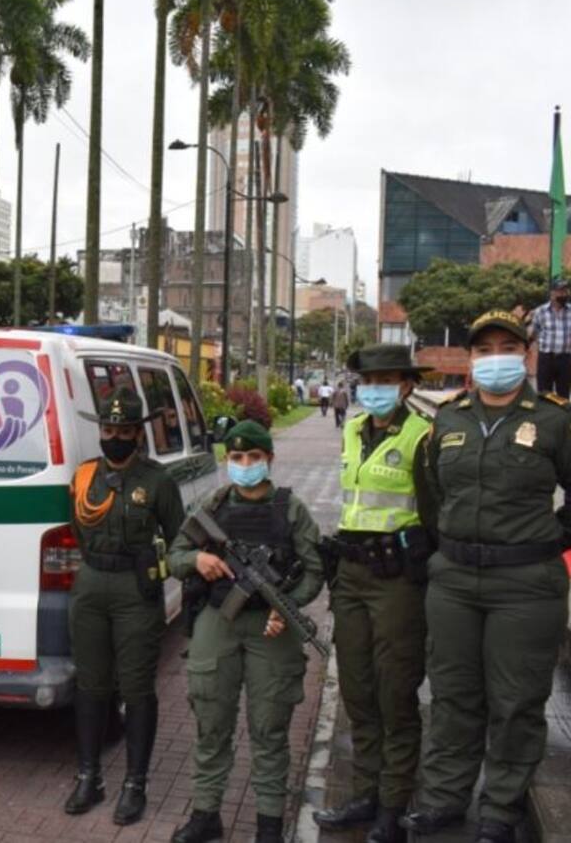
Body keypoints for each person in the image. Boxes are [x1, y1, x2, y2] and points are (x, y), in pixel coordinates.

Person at [403, 310, 570, 843]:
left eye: (507, 346)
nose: (495, 355)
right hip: (453, 580)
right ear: (471, 359)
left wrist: (553, 538)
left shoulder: (554, 421)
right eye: (484, 348)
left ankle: (501, 807)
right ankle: (445, 798)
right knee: (452, 695)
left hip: (526, 583)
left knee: (517, 701)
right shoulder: (447, 420)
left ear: (525, 353)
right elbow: (430, 496)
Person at [169, 420, 324, 843]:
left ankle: (269, 823)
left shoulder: (292, 510)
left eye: (253, 457)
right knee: (211, 719)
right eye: (236, 458)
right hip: (219, 619)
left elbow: (314, 572)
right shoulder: (212, 507)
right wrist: (197, 562)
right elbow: (176, 553)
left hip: (272, 629)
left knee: (270, 727)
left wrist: (288, 608)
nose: (245, 465)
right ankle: (206, 814)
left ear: (269, 460)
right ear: (227, 460)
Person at [313, 345, 437, 843]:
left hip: (396, 580)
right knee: (358, 689)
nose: (375, 388)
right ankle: (364, 792)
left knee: (395, 690)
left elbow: (434, 515)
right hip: (350, 575)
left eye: (387, 379)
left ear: (407, 385)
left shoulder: (422, 436)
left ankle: (393, 803)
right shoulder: (349, 429)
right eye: (369, 380)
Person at [62, 387, 185, 826]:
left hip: (136, 590)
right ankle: (89, 776)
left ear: (138, 434)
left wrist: (158, 574)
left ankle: (135, 784)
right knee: (91, 685)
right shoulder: (84, 477)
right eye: (108, 429)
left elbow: (180, 540)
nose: (114, 436)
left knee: (135, 688)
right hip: (92, 584)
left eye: (124, 430)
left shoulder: (157, 481)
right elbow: (79, 530)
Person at [529, 277, 571, 398]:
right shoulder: (540, 312)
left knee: (563, 394)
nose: (564, 294)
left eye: (566, 291)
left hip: (565, 359)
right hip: (546, 358)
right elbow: (534, 333)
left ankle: (563, 417)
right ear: (552, 293)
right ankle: (546, 417)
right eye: (560, 291)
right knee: (544, 393)